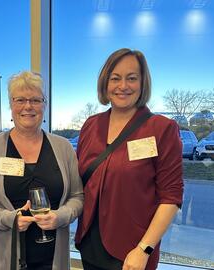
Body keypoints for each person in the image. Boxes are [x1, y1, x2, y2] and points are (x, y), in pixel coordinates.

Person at [75, 48, 184, 270]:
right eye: (115, 78)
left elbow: (170, 198)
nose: (123, 86)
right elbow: (78, 181)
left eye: (131, 78)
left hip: (132, 252)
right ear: (105, 83)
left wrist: (144, 248)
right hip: (89, 244)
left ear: (143, 84)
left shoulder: (162, 129)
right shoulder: (91, 126)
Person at [0, 71, 83, 270]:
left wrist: (60, 216)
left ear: (44, 105)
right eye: (20, 100)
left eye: (36, 100)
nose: (28, 106)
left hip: (53, 259)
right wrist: (9, 219)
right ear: (11, 105)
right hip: (7, 259)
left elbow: (78, 196)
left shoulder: (63, 148)